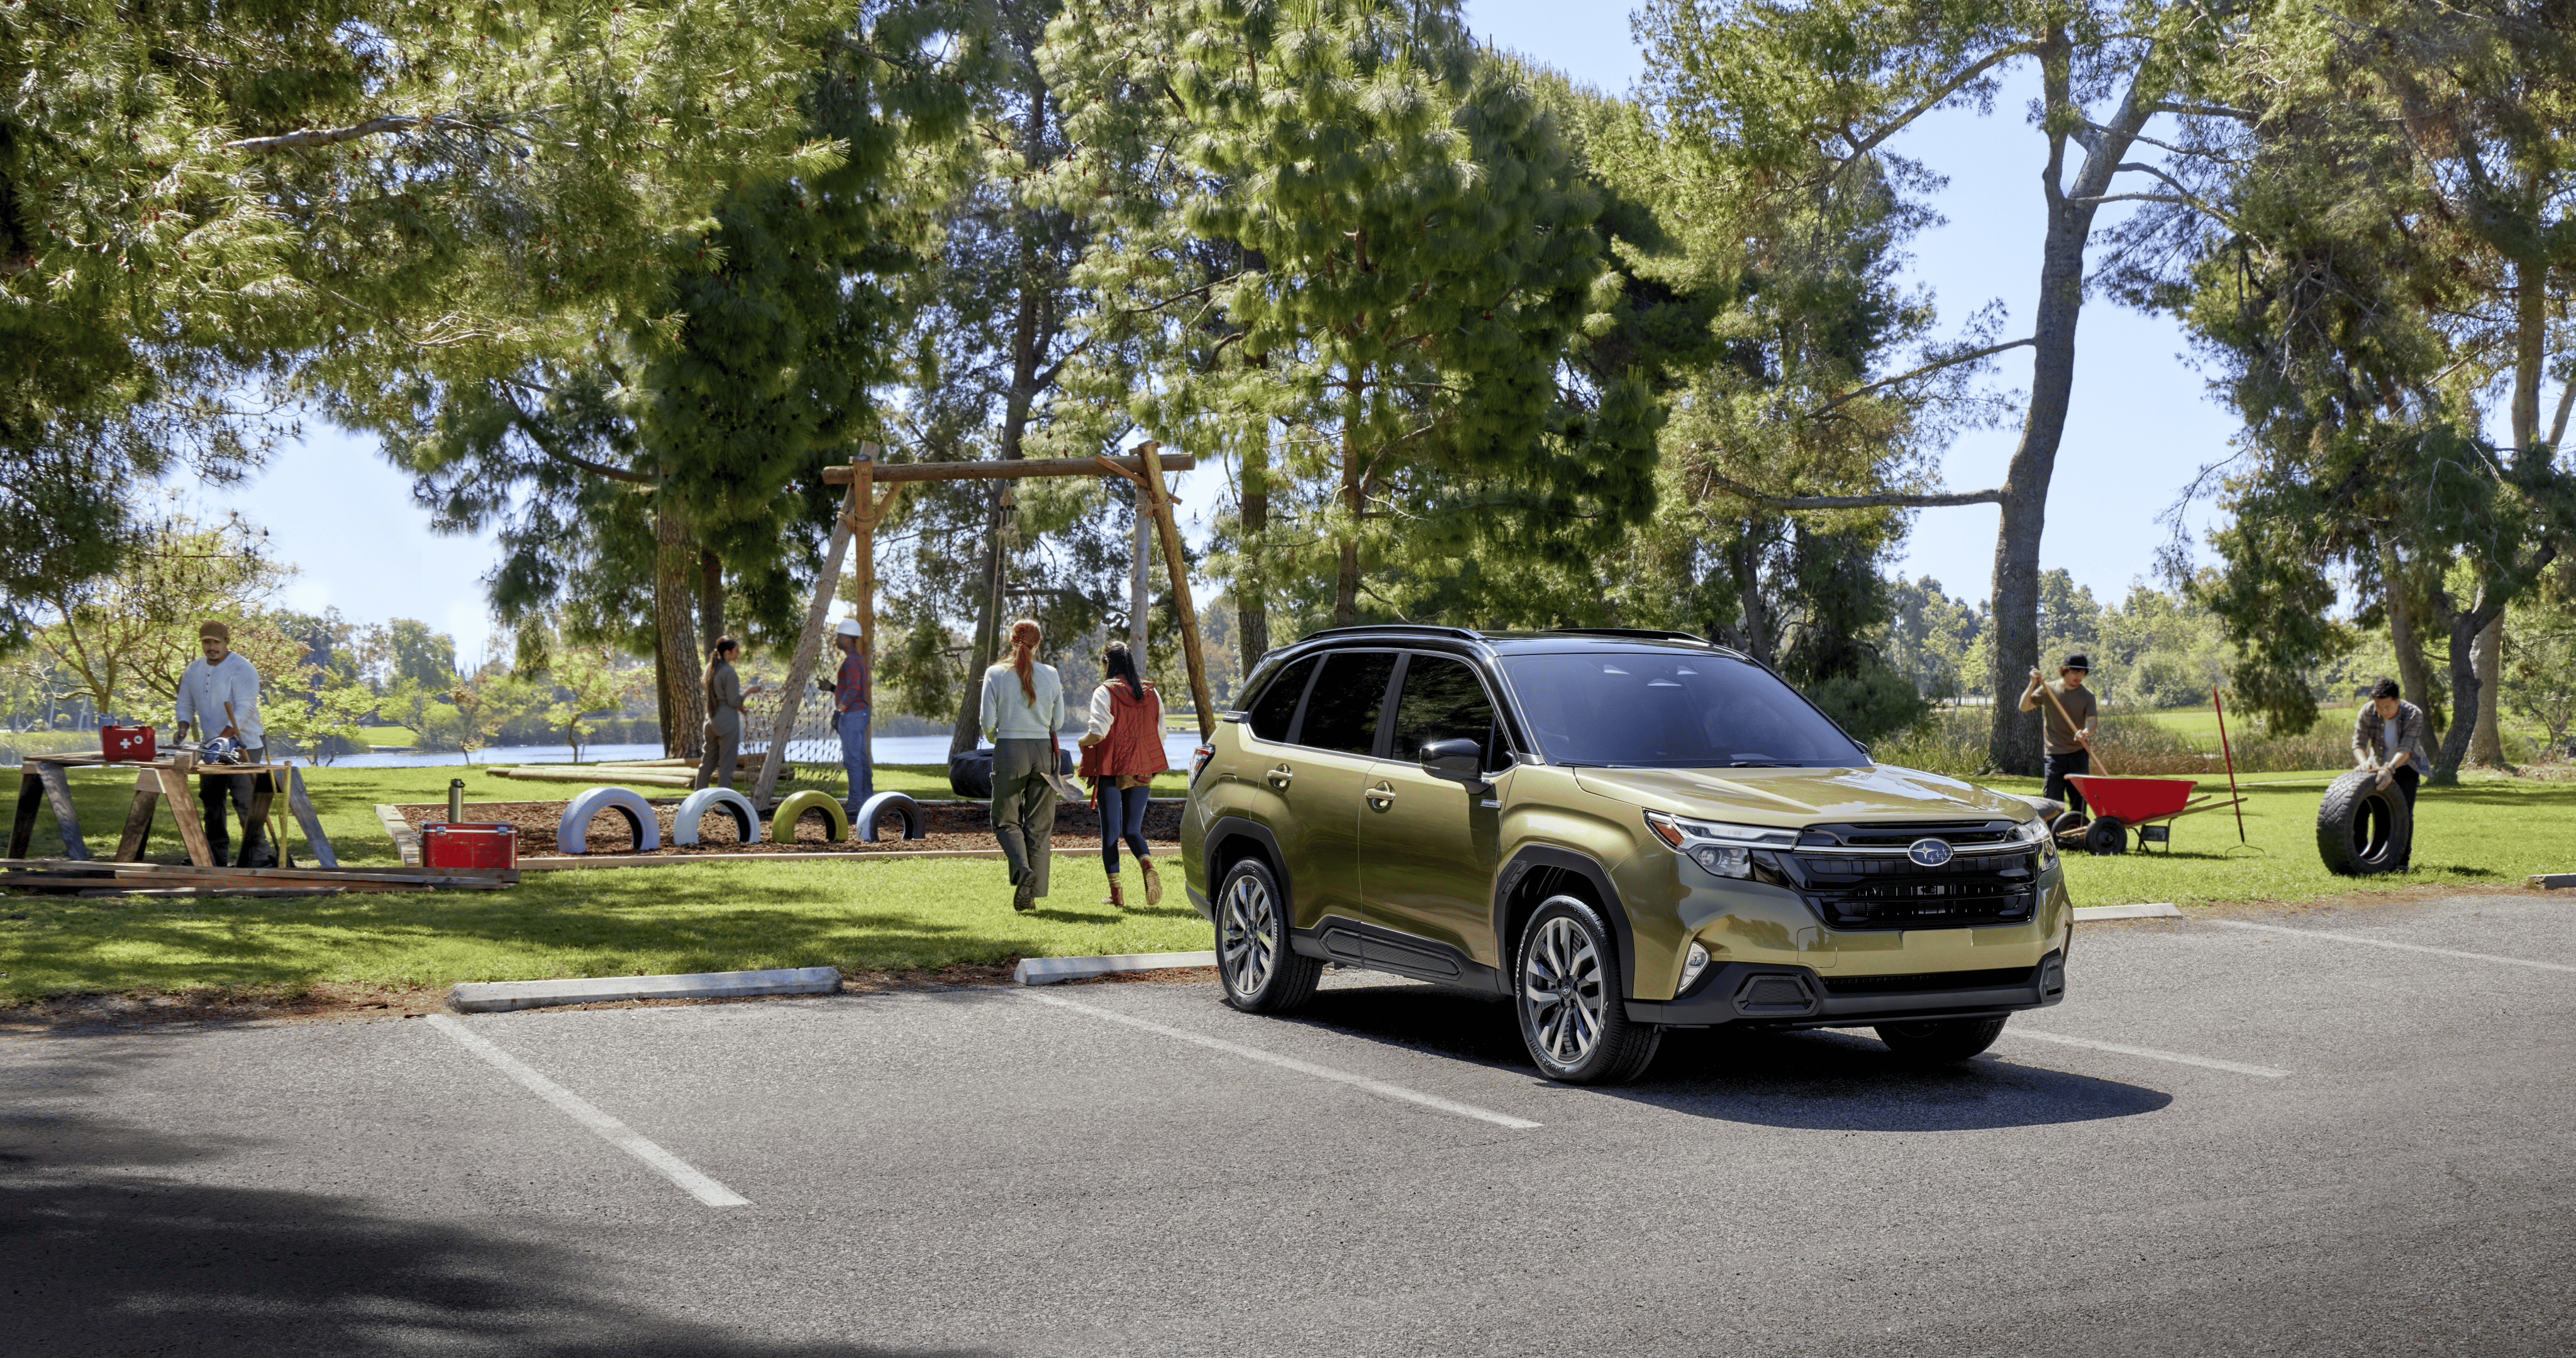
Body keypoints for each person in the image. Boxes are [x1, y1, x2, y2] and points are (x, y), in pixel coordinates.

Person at [980, 619, 1064, 912]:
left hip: (1010, 749)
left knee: (1005, 820)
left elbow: (987, 723)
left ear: (1011, 641)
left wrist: (998, 738)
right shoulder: (1051, 674)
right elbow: (1060, 721)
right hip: (1044, 751)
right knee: (1040, 825)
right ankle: (1033, 893)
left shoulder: (995, 674)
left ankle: (1024, 872)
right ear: (1038, 643)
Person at [1078, 641, 1167, 909]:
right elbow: (1161, 735)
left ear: (1107, 663)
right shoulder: (1152, 693)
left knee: (1110, 834)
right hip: (1142, 768)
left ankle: (1117, 896)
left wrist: (1083, 743)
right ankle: (1147, 863)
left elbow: (1098, 732)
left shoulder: (1105, 692)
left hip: (1111, 768)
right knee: (1132, 830)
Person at [174, 619, 269, 866]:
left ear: (227, 642)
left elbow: (246, 707)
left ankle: (258, 858)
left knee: (246, 801)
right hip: (210, 747)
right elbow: (185, 702)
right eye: (206, 642)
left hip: (245, 743)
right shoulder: (193, 670)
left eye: (216, 642)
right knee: (211, 800)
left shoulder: (242, 669)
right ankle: (214, 858)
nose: (211, 647)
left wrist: (224, 736)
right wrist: (183, 725)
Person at [2352, 678, 2431, 865]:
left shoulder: (2413, 713)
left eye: (2387, 707)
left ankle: (2401, 861)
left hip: (2406, 765)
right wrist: (2363, 763)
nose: (2382, 712)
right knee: (2361, 806)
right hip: (2376, 764)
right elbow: (2358, 744)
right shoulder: (2367, 711)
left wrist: (2390, 769)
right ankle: (2360, 856)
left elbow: (2407, 749)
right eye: (2378, 707)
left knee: (2403, 812)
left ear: (2397, 701)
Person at [2019, 653, 2099, 820]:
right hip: (2054, 754)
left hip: (2078, 753)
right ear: (2064, 671)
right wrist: (2033, 683)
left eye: (2083, 673)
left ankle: (2077, 832)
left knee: (2080, 799)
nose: (2079, 677)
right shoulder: (2049, 690)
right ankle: (2052, 834)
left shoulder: (2088, 696)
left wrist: (2086, 732)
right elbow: (2024, 707)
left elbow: (2093, 722)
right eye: (2075, 672)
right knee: (2053, 800)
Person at [825, 618, 874, 818]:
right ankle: (867, 800)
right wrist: (831, 689)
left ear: (847, 638)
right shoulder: (857, 659)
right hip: (859, 713)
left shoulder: (852, 660)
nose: (837, 639)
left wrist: (839, 711)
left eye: (839, 636)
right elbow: (853, 689)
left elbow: (854, 689)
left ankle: (855, 803)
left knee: (853, 761)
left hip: (852, 715)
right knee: (860, 759)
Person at [697, 637, 744, 791]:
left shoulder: (710, 668)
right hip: (726, 722)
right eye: (736, 651)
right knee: (727, 765)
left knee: (707, 763)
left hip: (710, 719)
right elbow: (733, 701)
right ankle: (725, 804)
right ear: (727, 653)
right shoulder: (729, 672)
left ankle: (697, 799)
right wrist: (749, 692)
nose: (738, 654)